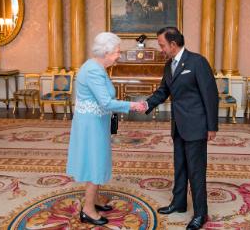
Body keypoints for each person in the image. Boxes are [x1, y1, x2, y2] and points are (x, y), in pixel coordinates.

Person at [66, 32, 145, 226]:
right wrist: (132, 106)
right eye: (117, 52)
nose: (119, 55)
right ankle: (88, 210)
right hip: (91, 125)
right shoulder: (93, 70)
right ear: (107, 52)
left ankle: (96, 200)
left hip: (95, 122)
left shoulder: (96, 66)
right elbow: (105, 102)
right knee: (95, 163)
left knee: (98, 159)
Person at [144, 27, 219, 230]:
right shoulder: (169, 65)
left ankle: (201, 214)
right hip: (178, 125)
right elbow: (163, 91)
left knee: (196, 171)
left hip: (196, 125)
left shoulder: (197, 62)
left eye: (162, 45)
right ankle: (178, 203)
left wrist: (212, 126)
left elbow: (210, 95)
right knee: (180, 166)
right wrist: (146, 104)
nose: (161, 49)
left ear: (173, 44)